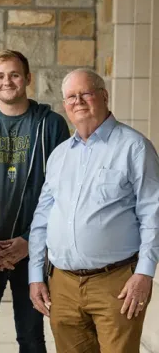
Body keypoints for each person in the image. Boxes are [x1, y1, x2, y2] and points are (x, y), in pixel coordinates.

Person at [29, 68, 159, 352]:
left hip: (117, 283)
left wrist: (145, 273)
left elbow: (153, 213)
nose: (78, 101)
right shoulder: (60, 155)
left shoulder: (134, 147)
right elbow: (42, 218)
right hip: (62, 284)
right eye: (71, 97)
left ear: (104, 96)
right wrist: (36, 274)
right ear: (65, 105)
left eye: (85, 93)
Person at [0, 50, 70, 352]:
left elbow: (63, 191)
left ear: (28, 78)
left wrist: (29, 240)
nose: (7, 81)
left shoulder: (51, 125)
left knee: (31, 336)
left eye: (14, 75)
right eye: (0, 76)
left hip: (33, 247)